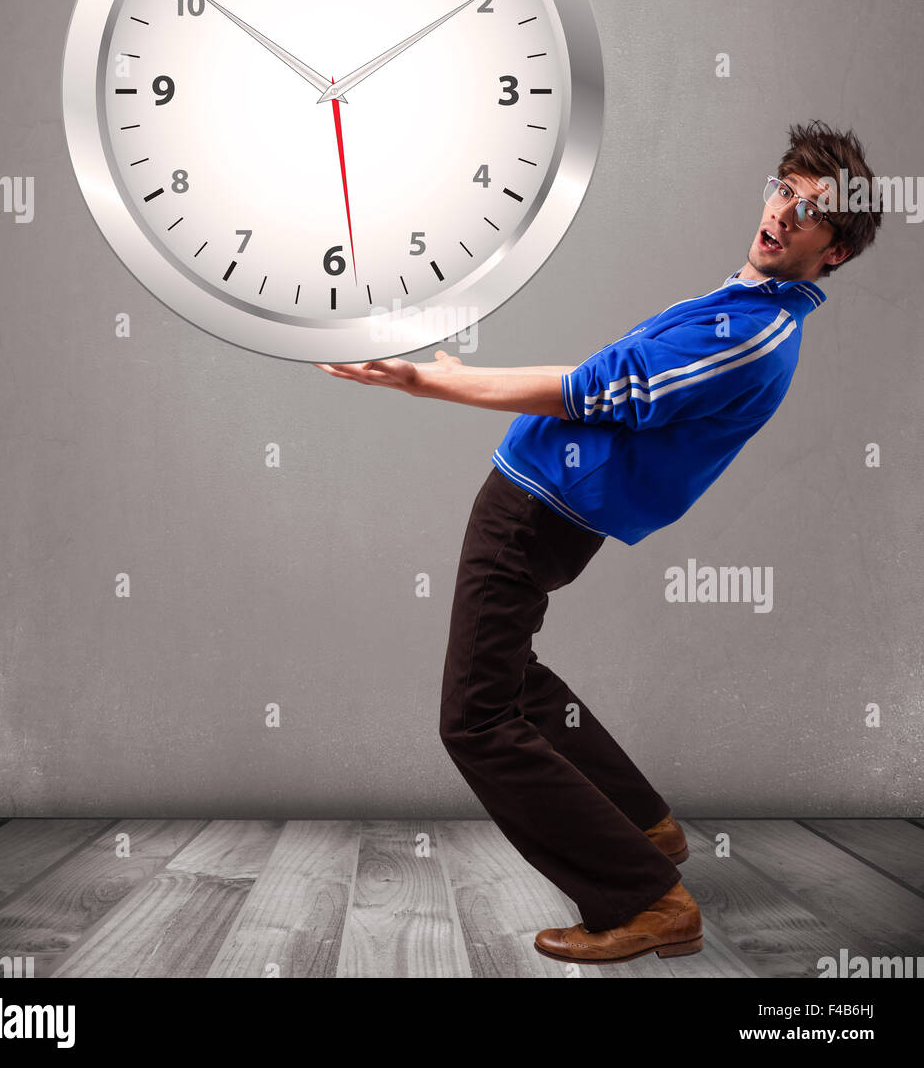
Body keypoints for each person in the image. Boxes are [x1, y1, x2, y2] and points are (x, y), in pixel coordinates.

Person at [314, 120, 882, 964]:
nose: (784, 214)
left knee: (473, 719)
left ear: (833, 253)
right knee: (513, 674)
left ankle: (647, 900)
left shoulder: (748, 336)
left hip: (539, 508)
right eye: (784, 190)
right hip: (542, 498)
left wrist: (435, 380)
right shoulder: (747, 305)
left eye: (811, 214)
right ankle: (645, 825)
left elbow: (596, 391)